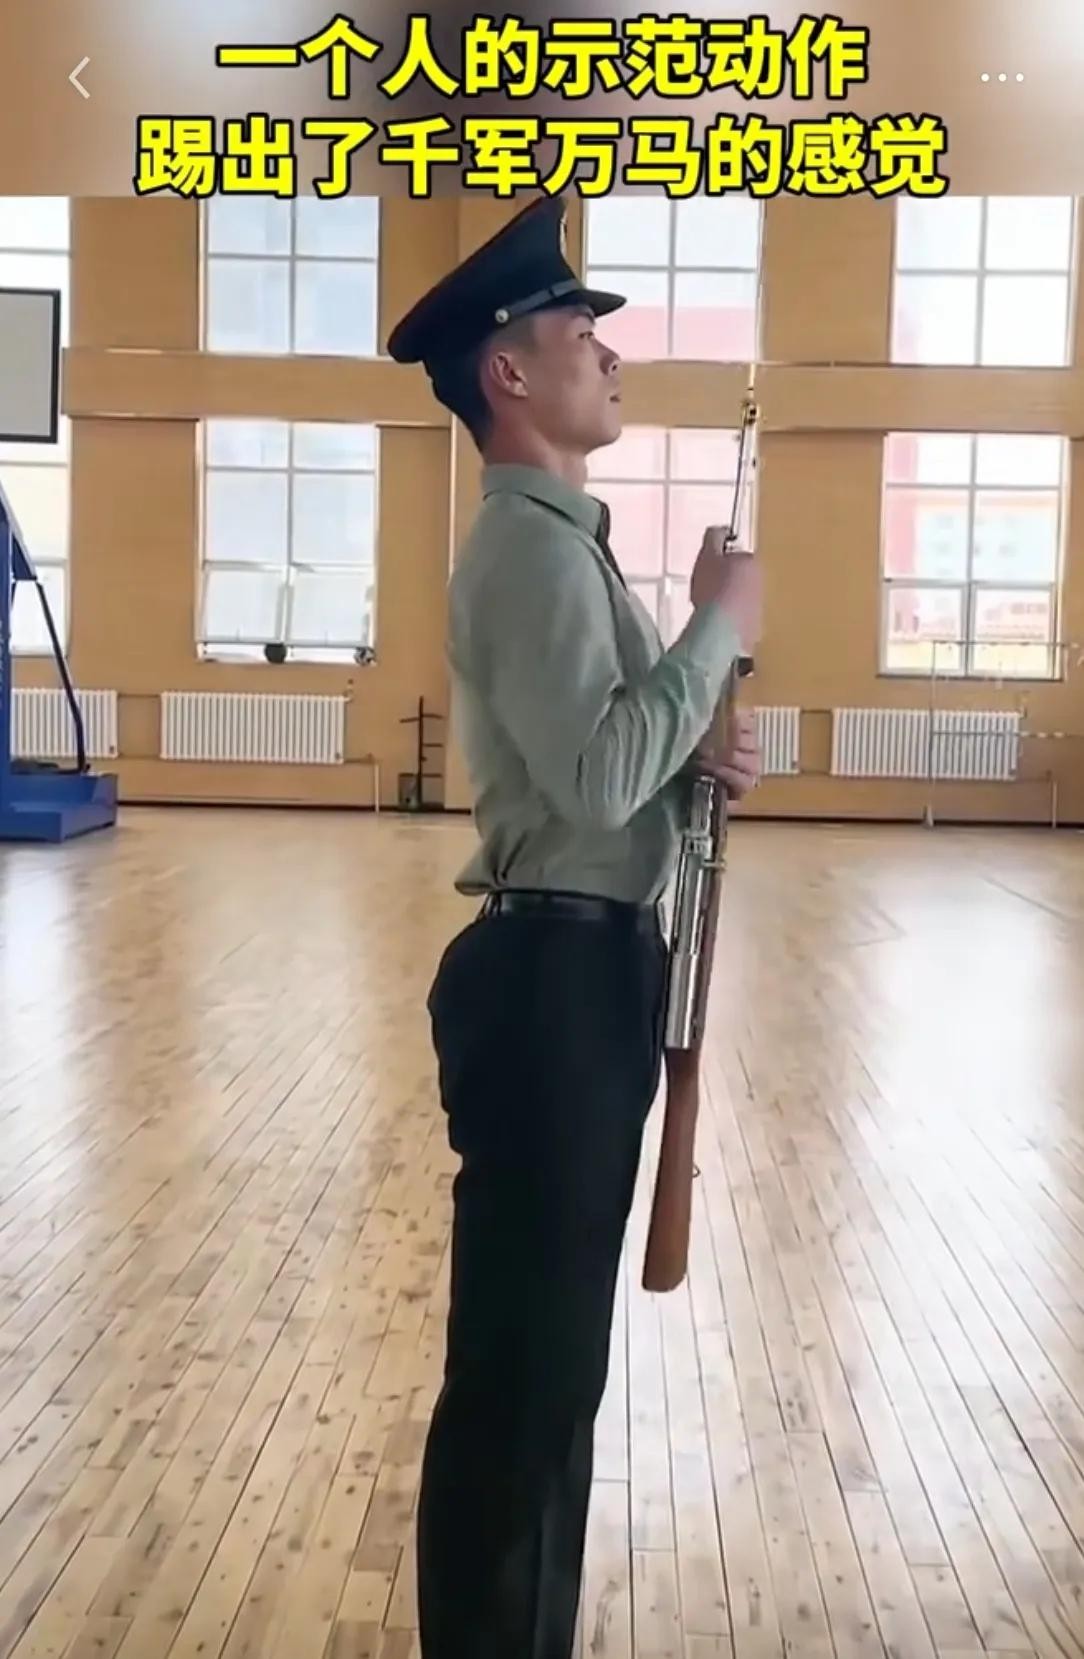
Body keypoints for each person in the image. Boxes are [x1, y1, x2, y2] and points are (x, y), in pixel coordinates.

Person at [387, 194, 762, 1659]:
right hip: (549, 985)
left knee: (551, 1382)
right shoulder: (529, 555)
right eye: (577, 330)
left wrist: (699, 750)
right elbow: (602, 772)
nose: (610, 351)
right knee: (522, 1384)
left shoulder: (567, 549)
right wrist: (715, 628)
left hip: (585, 972)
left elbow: (614, 767)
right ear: (509, 374)